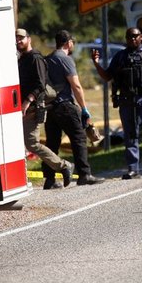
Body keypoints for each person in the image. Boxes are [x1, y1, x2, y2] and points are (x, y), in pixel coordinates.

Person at [91, 27, 142, 179]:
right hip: (127, 102)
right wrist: (96, 63)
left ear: (141, 37)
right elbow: (107, 76)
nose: (132, 39)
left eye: (135, 36)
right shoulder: (120, 56)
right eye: (129, 37)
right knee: (130, 136)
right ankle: (133, 169)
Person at [16, 28, 74, 190]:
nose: (19, 41)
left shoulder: (36, 58)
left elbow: (41, 84)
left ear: (29, 39)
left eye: (21, 38)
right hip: (20, 107)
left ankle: (64, 166)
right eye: (17, 39)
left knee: (32, 143)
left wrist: (28, 101)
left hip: (33, 107)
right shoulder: (21, 59)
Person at [45, 30, 104, 185]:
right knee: (78, 138)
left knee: (52, 144)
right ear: (68, 43)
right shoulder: (65, 59)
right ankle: (84, 175)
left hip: (50, 108)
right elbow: (76, 86)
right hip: (65, 106)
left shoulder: (48, 59)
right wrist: (84, 108)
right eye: (73, 42)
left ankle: (49, 179)